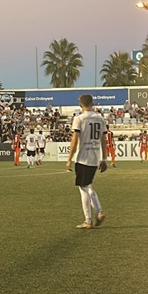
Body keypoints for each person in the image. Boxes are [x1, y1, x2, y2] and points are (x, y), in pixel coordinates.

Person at [65, 94, 107, 230]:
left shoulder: (79, 119)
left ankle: (91, 218)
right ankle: (95, 214)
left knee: (84, 188)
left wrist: (69, 159)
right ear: (92, 103)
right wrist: (104, 158)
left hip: (83, 157)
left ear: (80, 105)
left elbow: (75, 139)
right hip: (95, 158)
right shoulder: (100, 118)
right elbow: (103, 140)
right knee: (87, 185)